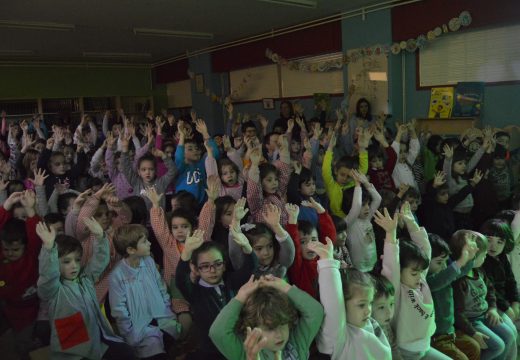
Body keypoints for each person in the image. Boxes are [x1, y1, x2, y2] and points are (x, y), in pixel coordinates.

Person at [36, 218, 135, 359]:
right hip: (73, 353)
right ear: (54, 262)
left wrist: (100, 237)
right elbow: (47, 275)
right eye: (66, 261)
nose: (74, 265)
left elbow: (100, 261)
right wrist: (49, 249)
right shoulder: (53, 290)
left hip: (97, 343)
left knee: (127, 353)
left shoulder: (85, 279)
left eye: (77, 260)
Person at [376, 203, 451, 359]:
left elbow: (425, 248)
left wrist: (412, 224)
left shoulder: (419, 278)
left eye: (420, 271)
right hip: (407, 353)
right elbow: (391, 265)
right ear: (400, 269)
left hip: (426, 346)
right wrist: (391, 233)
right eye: (414, 272)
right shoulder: (396, 290)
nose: (420, 276)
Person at [175, 230, 255, 359]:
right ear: (196, 269)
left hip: (235, 345)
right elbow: (180, 280)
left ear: (224, 265)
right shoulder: (194, 291)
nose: (212, 271)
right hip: (210, 350)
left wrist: (247, 247)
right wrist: (186, 252)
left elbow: (249, 269)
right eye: (205, 266)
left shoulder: (230, 281)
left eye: (218, 264)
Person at [209, 274, 323, 360]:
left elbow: (315, 311)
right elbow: (218, 332)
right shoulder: (246, 350)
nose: (279, 334)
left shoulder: (297, 341)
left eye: (282, 324)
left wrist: (284, 287)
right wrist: (240, 297)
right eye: (270, 328)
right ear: (252, 329)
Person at [312, 237, 392, 359]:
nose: (368, 310)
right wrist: (327, 263)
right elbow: (332, 304)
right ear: (342, 304)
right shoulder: (337, 337)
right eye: (361, 305)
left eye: (370, 303)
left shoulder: (369, 323)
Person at [109, 224, 181, 359]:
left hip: (163, 321)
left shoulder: (148, 261)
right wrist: (130, 334)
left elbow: (162, 288)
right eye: (144, 241)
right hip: (140, 330)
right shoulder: (117, 275)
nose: (149, 243)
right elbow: (119, 310)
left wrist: (168, 313)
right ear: (131, 249)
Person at [452, 230, 517, 360]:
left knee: (510, 336)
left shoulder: (479, 271)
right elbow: (458, 314)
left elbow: (491, 290)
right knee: (498, 346)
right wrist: (473, 332)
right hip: (472, 321)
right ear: (472, 256)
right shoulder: (459, 280)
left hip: (486, 313)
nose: (486, 256)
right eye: (483, 254)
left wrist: (493, 308)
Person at [426, 232, 480, 360]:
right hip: (436, 338)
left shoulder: (444, 276)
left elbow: (459, 272)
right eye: (439, 262)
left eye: (446, 261)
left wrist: (470, 258)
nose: (444, 266)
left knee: (474, 347)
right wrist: (461, 261)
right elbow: (441, 279)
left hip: (451, 332)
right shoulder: (427, 281)